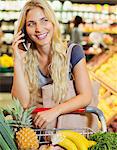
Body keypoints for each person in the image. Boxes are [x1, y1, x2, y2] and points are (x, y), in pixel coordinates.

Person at [11, 0, 92, 129]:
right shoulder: (25, 58)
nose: (39, 29)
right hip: (38, 133)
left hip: (70, 130)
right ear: (24, 31)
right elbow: (22, 103)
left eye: (44, 20)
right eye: (31, 24)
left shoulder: (72, 52)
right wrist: (18, 60)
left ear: (53, 22)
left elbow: (86, 96)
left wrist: (55, 111)